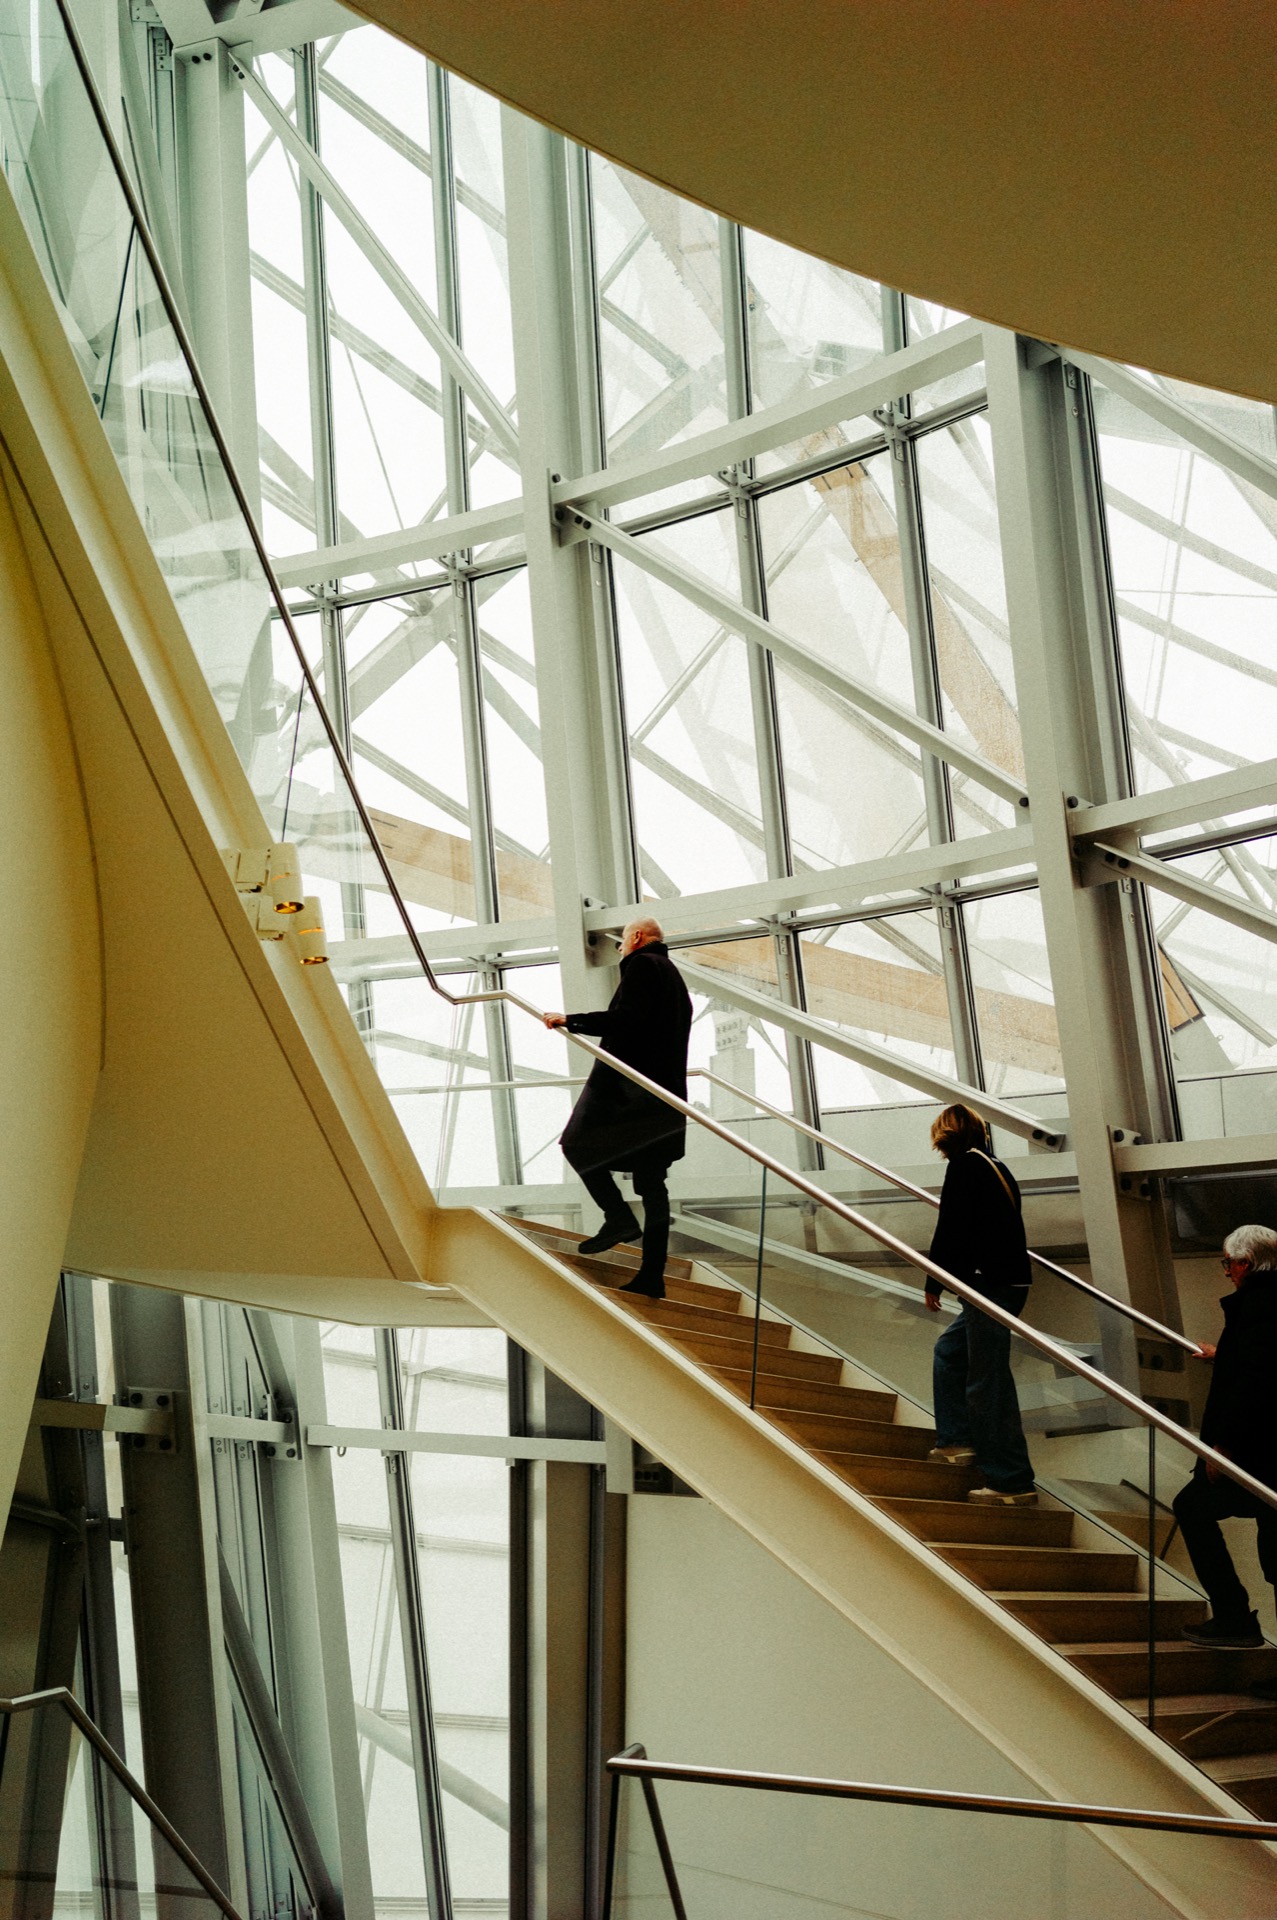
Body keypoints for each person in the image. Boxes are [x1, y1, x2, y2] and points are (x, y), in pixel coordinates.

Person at [543, 917, 692, 1300]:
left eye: (622, 942)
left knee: (576, 1145)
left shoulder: (643, 965)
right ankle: (652, 1276)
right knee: (652, 1186)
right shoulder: (673, 977)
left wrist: (571, 1021)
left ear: (638, 937)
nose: (621, 949)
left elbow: (628, 1020)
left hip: (629, 1094)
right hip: (663, 1097)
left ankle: (618, 1218)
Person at [923, 1102, 1037, 1507]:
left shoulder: (964, 1167)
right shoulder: (994, 1165)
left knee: (987, 1383)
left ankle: (1010, 1480)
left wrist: (934, 1280)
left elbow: (952, 1228)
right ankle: (957, 1440)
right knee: (950, 1353)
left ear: (946, 1134)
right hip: (1007, 1282)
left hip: (989, 1284)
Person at [1173, 1223, 1277, 1651]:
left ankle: (1233, 1616)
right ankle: (1235, 1618)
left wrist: (1223, 1447)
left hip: (1256, 1452)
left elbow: (1257, 1381)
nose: (1226, 1271)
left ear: (1245, 1263)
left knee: (1191, 1507)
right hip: (1269, 1451)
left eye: (1228, 1263)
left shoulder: (1258, 1304)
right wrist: (1224, 1355)